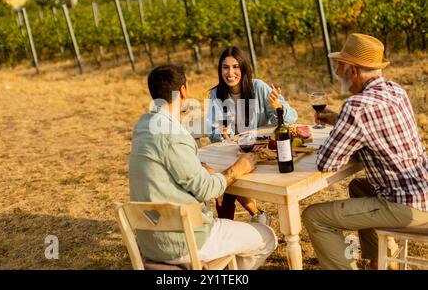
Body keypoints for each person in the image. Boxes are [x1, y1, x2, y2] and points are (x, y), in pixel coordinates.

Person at [129, 64, 278, 269]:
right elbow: (207, 189)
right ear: (183, 91)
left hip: (151, 243)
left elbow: (169, 165)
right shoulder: (174, 134)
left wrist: (199, 167)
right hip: (185, 241)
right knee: (266, 236)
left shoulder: (143, 127)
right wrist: (237, 168)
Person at [301, 33, 428, 270]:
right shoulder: (395, 90)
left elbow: (326, 163)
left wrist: (341, 125)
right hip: (423, 189)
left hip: (406, 205)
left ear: (354, 71)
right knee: (358, 187)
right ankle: (379, 262)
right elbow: (379, 131)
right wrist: (339, 120)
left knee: (314, 217)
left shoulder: (356, 106)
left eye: (340, 66)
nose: (337, 73)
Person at [206, 46, 298, 224]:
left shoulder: (258, 87)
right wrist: (220, 132)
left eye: (235, 67)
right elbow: (213, 135)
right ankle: (254, 217)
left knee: (226, 180)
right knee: (225, 178)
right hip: (233, 151)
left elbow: (290, 118)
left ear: (244, 68)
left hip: (261, 150)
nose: (230, 72)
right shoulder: (216, 94)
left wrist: (277, 106)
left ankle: (242, 221)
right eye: (225, 67)